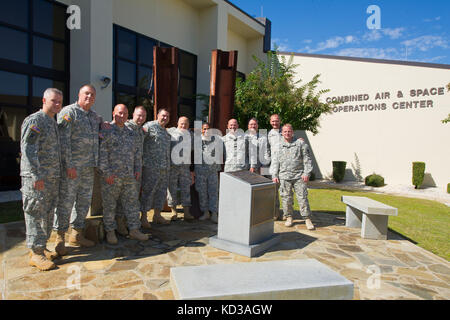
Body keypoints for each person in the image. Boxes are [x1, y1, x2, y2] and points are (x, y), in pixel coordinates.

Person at [53, 85, 103, 254]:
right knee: (66, 202)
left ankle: (76, 234)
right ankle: (59, 237)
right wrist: (69, 165)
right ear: (79, 95)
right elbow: (63, 140)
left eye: (92, 94)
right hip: (72, 168)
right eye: (86, 93)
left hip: (89, 168)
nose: (89, 96)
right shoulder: (69, 112)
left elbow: (101, 133)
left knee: (83, 203)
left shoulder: (95, 117)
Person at [20, 88, 63, 271]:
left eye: (60, 102)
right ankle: (36, 253)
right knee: (35, 214)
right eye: (54, 101)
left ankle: (42, 246)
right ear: (44, 100)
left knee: (46, 214)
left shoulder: (52, 123)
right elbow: (28, 149)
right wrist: (36, 175)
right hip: (37, 178)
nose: (57, 104)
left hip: (51, 178)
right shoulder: (35, 120)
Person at [98, 104, 148, 244]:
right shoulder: (107, 130)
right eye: (120, 113)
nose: (122, 116)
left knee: (132, 203)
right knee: (110, 205)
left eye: (125, 113)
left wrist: (137, 169)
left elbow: (137, 153)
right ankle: (110, 232)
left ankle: (134, 230)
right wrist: (106, 173)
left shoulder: (130, 132)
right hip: (111, 177)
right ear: (113, 112)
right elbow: (101, 154)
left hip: (129, 176)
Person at [271, 124, 315, 230]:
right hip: (284, 176)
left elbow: (307, 159)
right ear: (282, 133)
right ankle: (289, 217)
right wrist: (274, 175)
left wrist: (306, 173)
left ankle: (307, 218)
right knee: (286, 198)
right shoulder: (278, 145)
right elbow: (275, 161)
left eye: (289, 131)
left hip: (299, 176)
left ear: (292, 132)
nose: (287, 133)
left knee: (302, 197)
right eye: (285, 131)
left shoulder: (300, 143)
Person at [115, 106, 148, 235]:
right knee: (123, 198)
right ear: (133, 115)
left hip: (135, 169)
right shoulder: (127, 127)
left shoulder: (141, 130)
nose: (141, 118)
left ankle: (130, 224)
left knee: (132, 198)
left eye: (144, 116)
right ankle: (120, 222)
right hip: (123, 169)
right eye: (139, 115)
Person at [141, 108, 171, 225]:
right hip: (151, 167)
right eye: (163, 115)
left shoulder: (166, 132)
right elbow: (139, 138)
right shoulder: (149, 126)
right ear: (157, 115)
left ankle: (157, 215)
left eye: (167, 116)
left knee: (161, 192)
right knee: (148, 192)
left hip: (164, 167)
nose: (165, 118)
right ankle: (143, 217)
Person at [167, 116, 195, 221]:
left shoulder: (191, 136)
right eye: (181, 123)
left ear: (188, 125)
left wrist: (192, 170)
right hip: (173, 166)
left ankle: (186, 212)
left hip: (185, 167)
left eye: (186, 124)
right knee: (171, 188)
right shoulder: (170, 133)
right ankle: (174, 212)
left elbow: (194, 152)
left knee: (186, 188)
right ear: (178, 123)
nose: (183, 125)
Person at [195, 123, 221, 223]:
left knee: (213, 192)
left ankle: (214, 213)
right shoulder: (197, 141)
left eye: (208, 129)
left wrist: (217, 169)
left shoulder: (216, 140)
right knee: (202, 192)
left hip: (212, 171)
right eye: (204, 129)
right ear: (201, 130)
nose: (206, 130)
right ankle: (205, 212)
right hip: (200, 171)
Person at [266, 114, 282, 220]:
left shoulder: (285, 132)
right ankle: (275, 212)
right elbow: (267, 149)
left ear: (280, 121)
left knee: (285, 190)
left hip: (285, 166)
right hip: (274, 166)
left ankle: (287, 213)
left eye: (276, 121)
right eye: (272, 121)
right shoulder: (269, 134)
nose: (274, 123)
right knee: (274, 189)